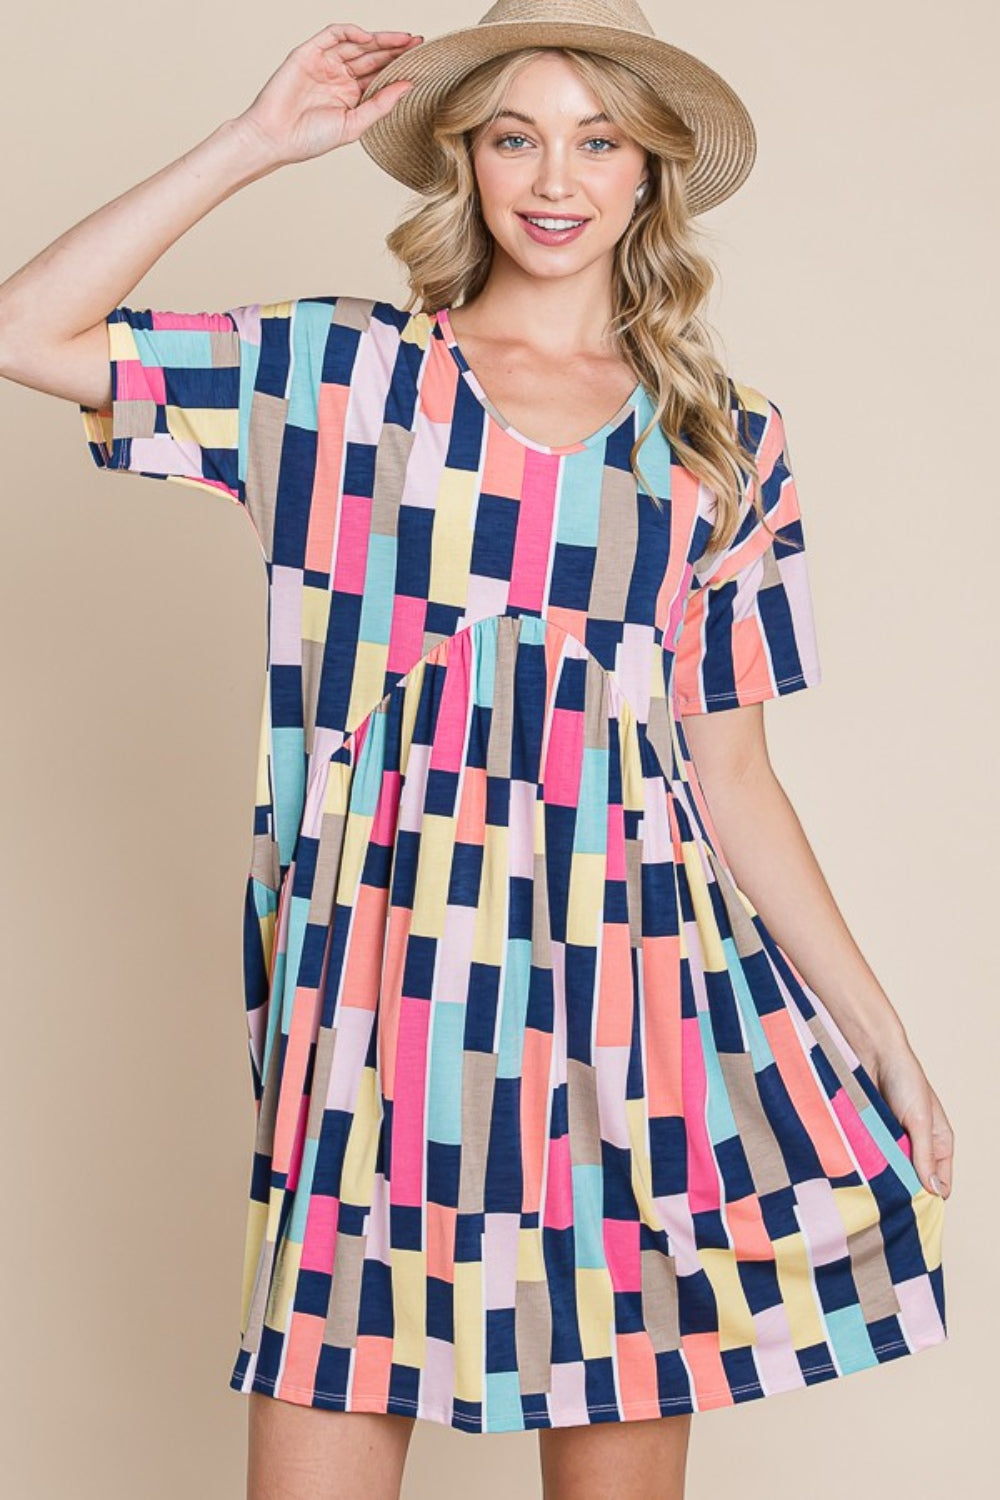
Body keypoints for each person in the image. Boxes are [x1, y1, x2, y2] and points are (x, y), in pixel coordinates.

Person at [0, 4, 955, 1497]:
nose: (554, 176)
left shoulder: (723, 443)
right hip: (386, 993)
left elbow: (732, 772)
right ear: (464, 161)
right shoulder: (339, 381)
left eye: (600, 139)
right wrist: (255, 143)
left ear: (654, 173)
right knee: (330, 1377)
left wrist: (882, 1031)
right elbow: (23, 331)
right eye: (515, 134)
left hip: (640, 1003)